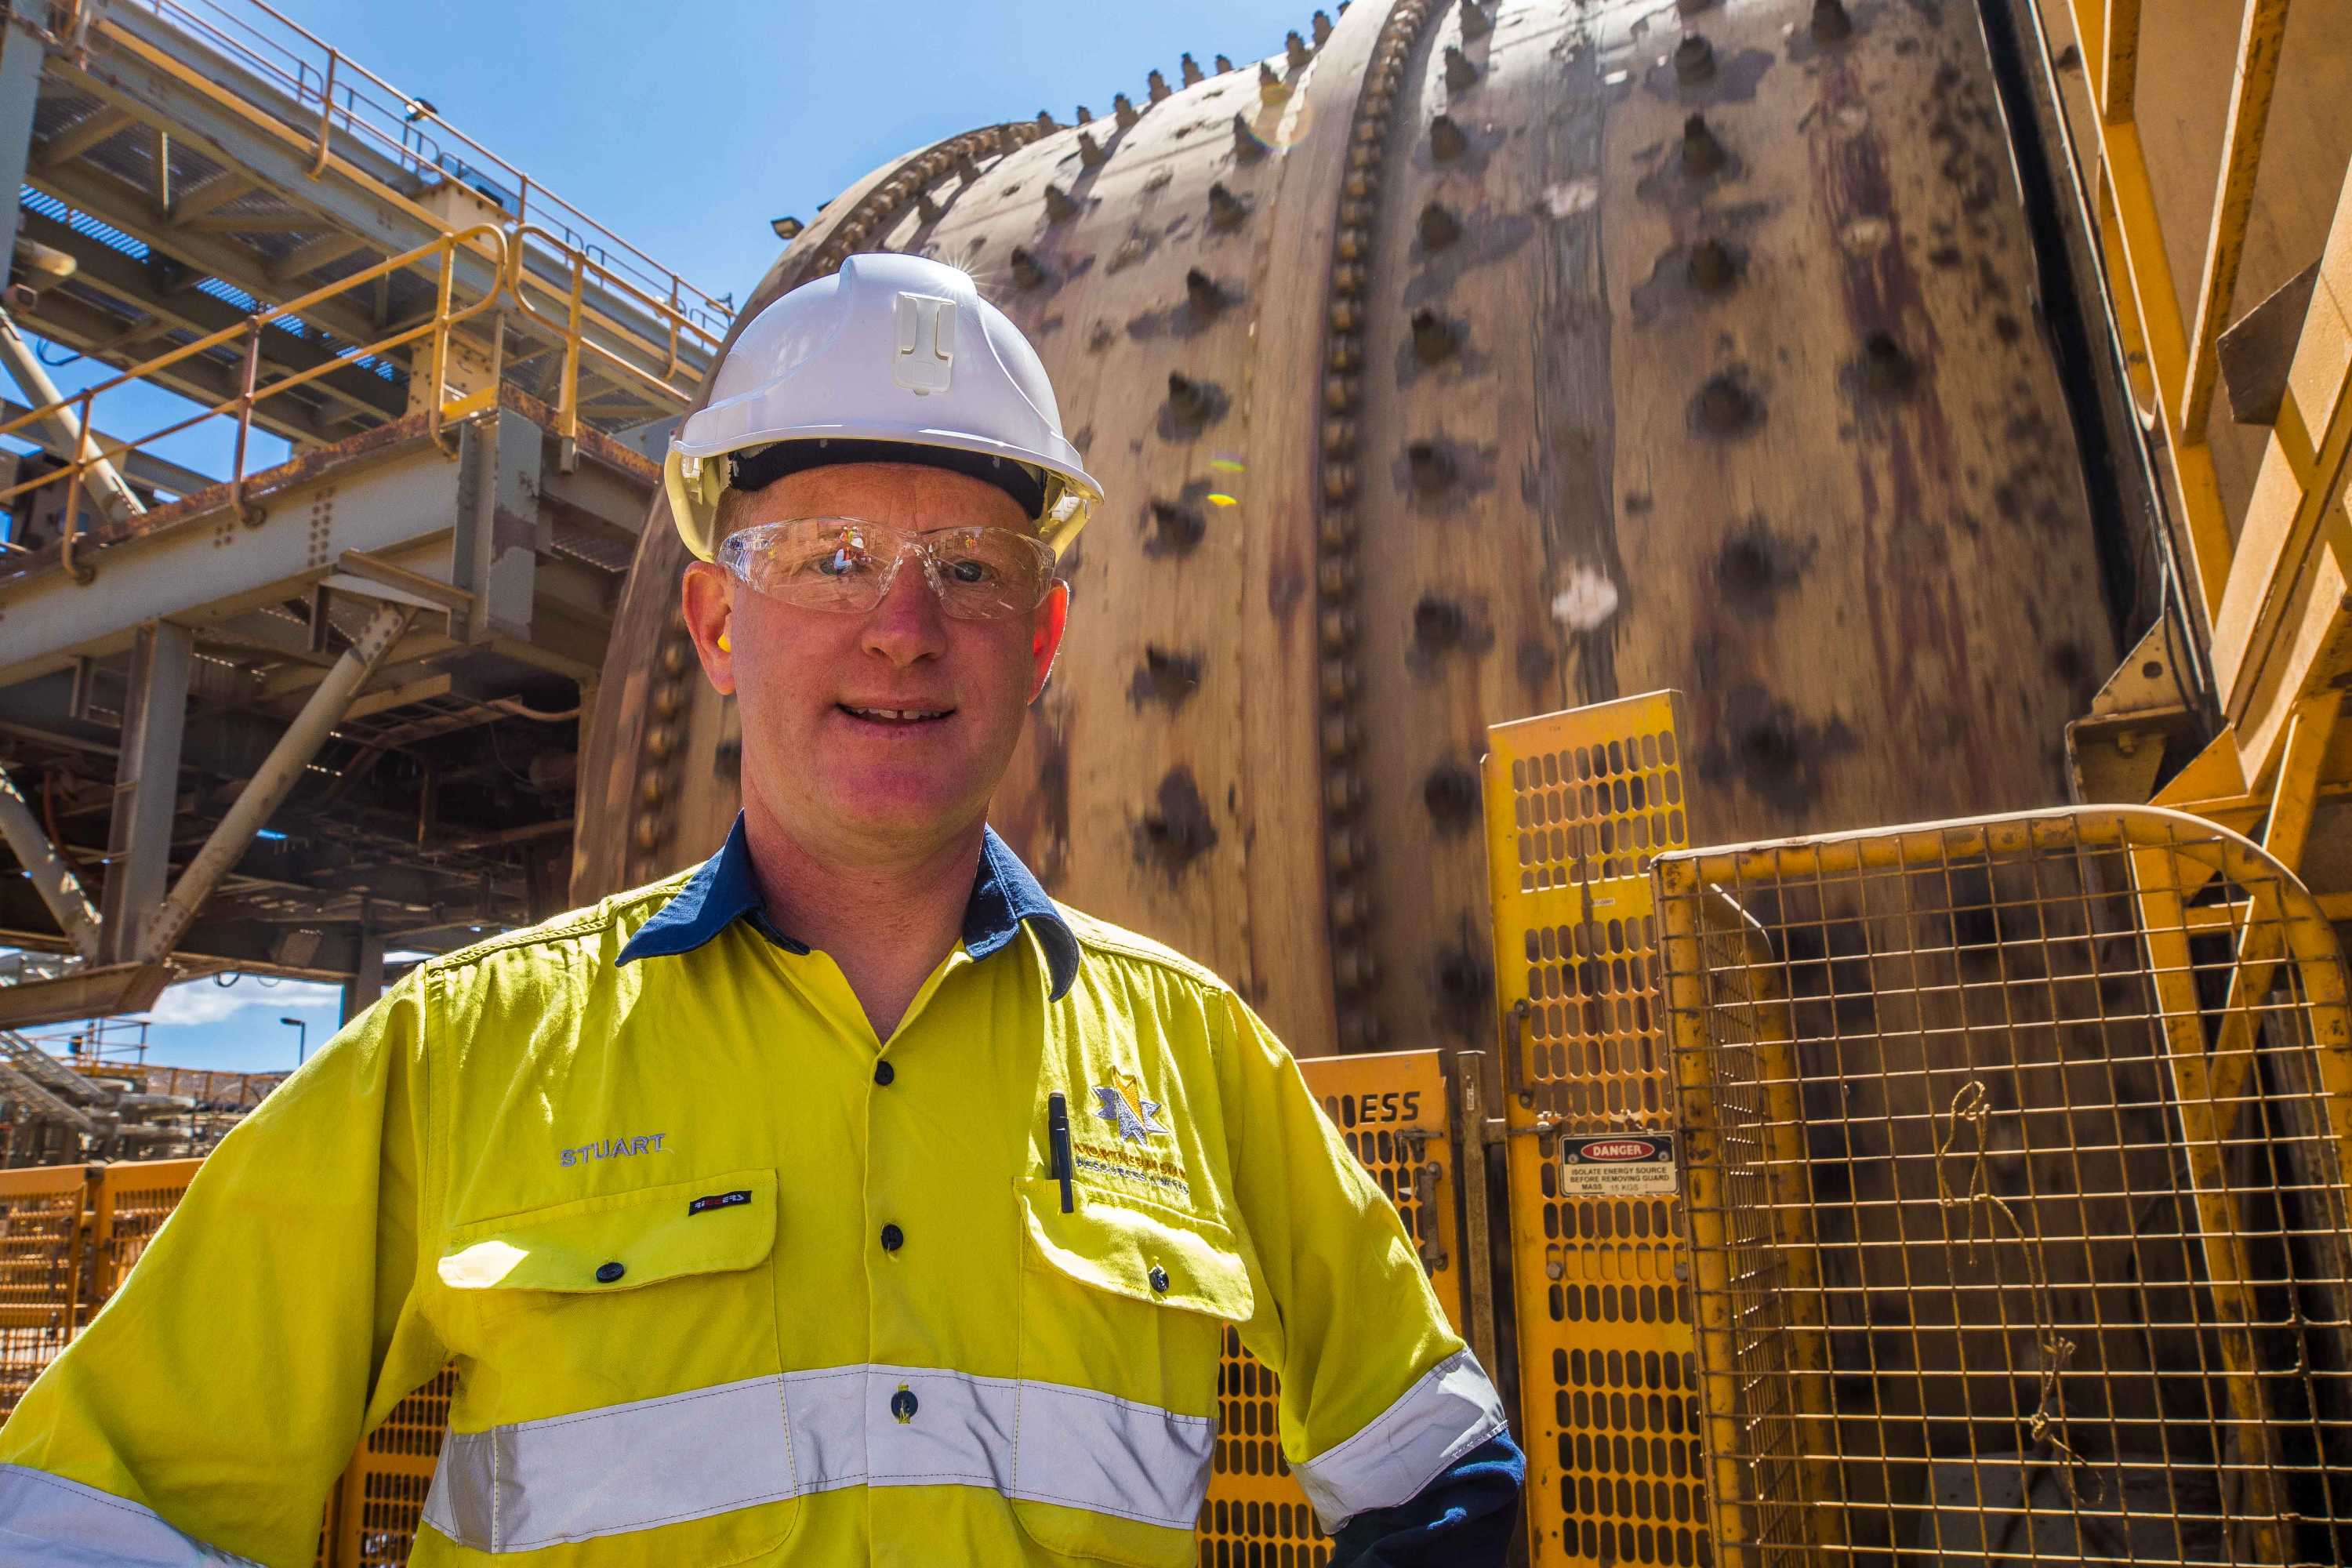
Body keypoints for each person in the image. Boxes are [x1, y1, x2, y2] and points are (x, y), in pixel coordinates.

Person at [0, 252, 1521, 1565]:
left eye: (971, 570)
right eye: (830, 560)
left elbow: (1437, 1459)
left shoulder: (1195, 1059)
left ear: (1041, 634)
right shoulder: (467, 1052)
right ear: (719, 622)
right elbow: (98, 1506)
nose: (904, 628)